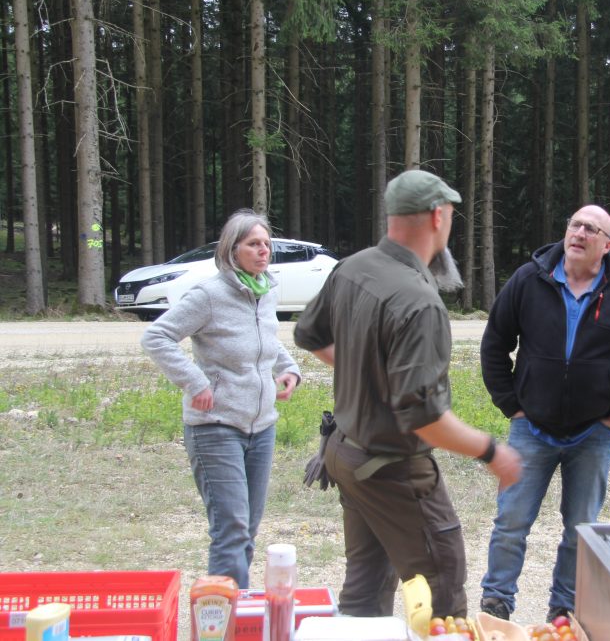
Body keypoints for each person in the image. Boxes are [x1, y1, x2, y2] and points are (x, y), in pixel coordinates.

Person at [293, 169, 521, 619]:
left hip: (346, 454)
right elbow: (427, 419)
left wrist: (366, 369)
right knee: (442, 584)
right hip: (391, 468)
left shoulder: (353, 266)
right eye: (452, 212)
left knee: (366, 584)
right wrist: (494, 451)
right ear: (438, 216)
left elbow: (309, 335)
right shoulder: (419, 301)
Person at [478, 204, 610, 623]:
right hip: (531, 430)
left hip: (593, 434)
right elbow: (494, 344)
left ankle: (564, 607)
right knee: (511, 522)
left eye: (591, 229)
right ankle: (496, 601)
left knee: (581, 529)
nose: (578, 233)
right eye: (574, 224)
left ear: (607, 244)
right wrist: (512, 406)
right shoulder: (529, 279)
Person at [141, 209, 301, 588]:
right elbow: (156, 337)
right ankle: (228, 621)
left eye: (267, 245)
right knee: (231, 530)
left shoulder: (265, 290)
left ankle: (234, 607)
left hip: (261, 426)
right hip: (216, 427)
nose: (263, 252)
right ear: (232, 249)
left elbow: (267, 339)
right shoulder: (209, 295)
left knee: (246, 530)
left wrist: (290, 368)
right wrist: (195, 382)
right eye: (253, 244)